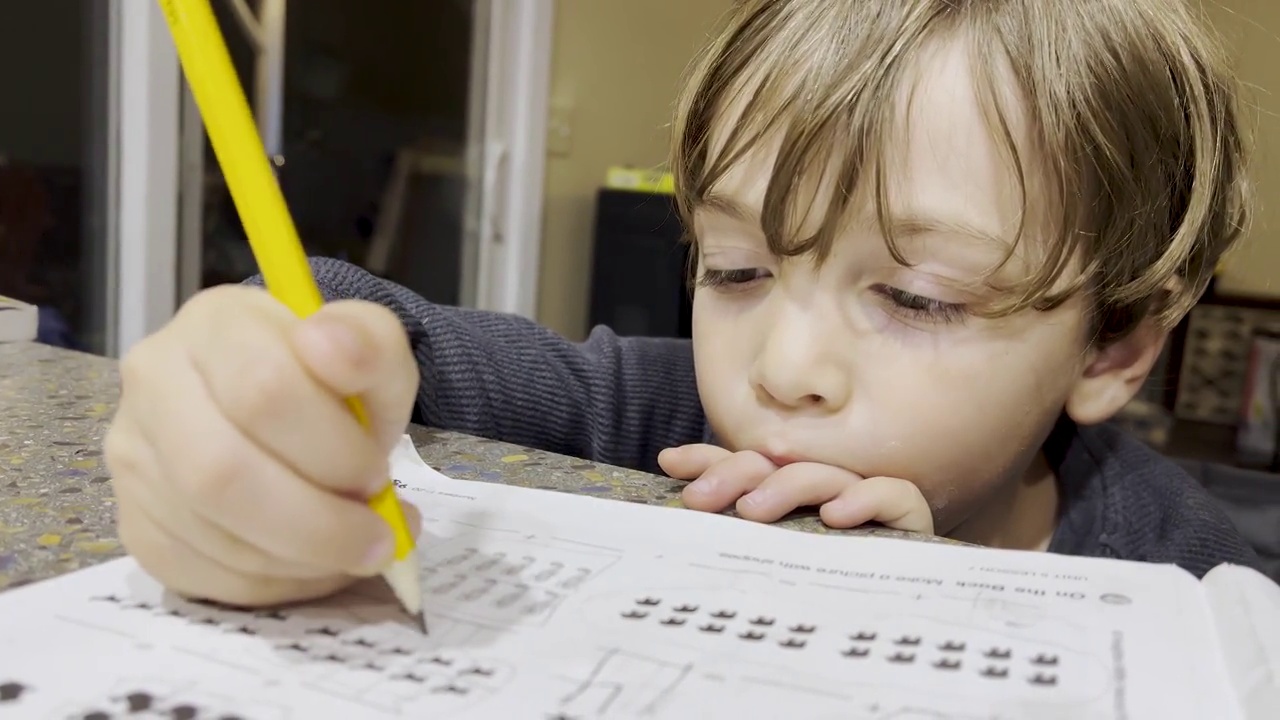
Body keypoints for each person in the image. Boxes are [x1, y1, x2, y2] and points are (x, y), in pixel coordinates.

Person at [105, 0, 1260, 609]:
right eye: (735, 271)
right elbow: (391, 334)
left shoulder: (1186, 585)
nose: (782, 366)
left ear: (1113, 346)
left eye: (917, 296)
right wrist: (282, 380)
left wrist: (943, 625)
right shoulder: (646, 413)